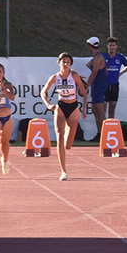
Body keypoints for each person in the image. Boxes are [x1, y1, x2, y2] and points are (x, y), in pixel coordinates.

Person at [41, 53, 88, 181]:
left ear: (70, 64)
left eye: (68, 62)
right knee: (59, 139)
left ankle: (68, 129)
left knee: (68, 145)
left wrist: (83, 110)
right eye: (63, 62)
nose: (66, 64)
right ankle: (63, 171)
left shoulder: (74, 76)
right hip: (61, 106)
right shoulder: (55, 78)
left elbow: (84, 93)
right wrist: (48, 105)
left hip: (73, 108)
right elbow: (43, 92)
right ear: (59, 63)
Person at [103, 37, 127, 119]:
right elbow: (91, 64)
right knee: (103, 109)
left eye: (113, 45)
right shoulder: (103, 56)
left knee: (112, 109)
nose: (112, 47)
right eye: (110, 45)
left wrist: (120, 74)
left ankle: (111, 128)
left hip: (114, 85)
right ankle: (102, 130)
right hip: (104, 85)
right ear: (107, 46)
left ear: (116, 47)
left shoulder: (120, 57)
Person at [85, 36, 107, 142]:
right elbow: (91, 66)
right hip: (97, 85)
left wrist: (87, 85)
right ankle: (99, 133)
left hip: (98, 86)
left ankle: (104, 134)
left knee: (100, 110)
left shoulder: (98, 57)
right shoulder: (97, 57)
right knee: (95, 110)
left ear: (90, 46)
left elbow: (94, 73)